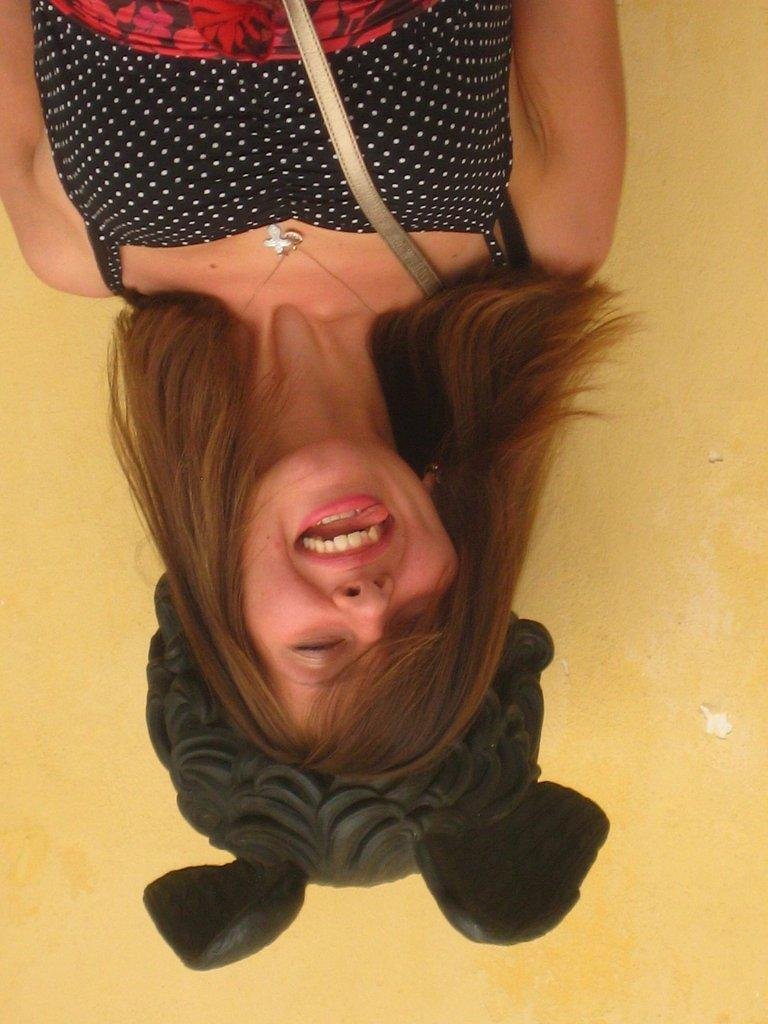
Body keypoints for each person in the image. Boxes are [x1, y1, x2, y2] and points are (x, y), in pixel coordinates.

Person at [1, 0, 632, 781]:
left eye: (319, 647)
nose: (369, 604)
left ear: (222, 601)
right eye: (419, 619)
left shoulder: (71, 249)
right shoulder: (546, 233)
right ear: (460, 553)